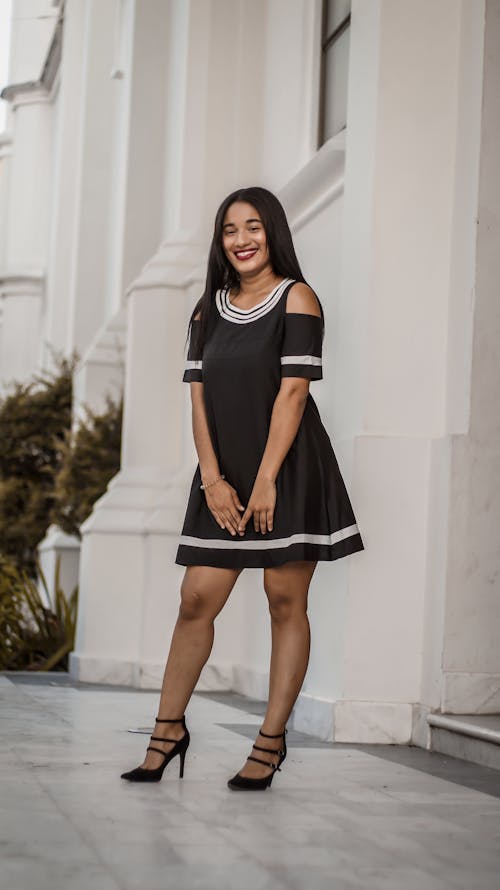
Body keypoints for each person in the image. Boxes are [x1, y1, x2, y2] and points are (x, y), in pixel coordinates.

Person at [121, 186, 365, 790]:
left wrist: (264, 483)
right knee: (196, 601)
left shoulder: (297, 298)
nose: (242, 240)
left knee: (285, 602)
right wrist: (212, 480)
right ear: (220, 240)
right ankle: (167, 731)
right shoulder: (207, 310)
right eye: (230, 230)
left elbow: (293, 393)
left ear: (273, 232)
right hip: (223, 477)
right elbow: (198, 399)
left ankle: (270, 741)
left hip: (288, 472)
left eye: (253, 227)